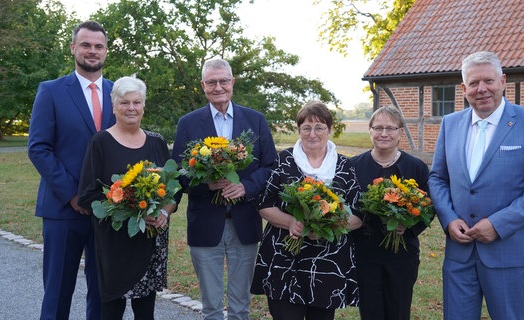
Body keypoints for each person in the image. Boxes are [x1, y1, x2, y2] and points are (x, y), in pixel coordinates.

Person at [428, 51, 524, 320]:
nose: (481, 89)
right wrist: (449, 219)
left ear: (503, 81)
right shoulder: (451, 124)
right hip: (459, 253)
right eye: (473, 83)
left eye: (488, 81)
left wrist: (498, 224)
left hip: (509, 252)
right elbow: (438, 178)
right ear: (464, 88)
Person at [170, 58, 277, 320]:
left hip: (245, 222)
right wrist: (205, 183)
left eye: (224, 81)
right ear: (202, 86)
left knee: (241, 306)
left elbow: (271, 166)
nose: (218, 87)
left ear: (232, 82)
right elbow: (178, 173)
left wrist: (246, 187)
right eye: (212, 82)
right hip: (206, 223)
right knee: (211, 307)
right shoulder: (188, 123)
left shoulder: (255, 120)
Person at [28, 20, 114, 320]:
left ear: (106, 51)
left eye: (98, 46)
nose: (93, 51)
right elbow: (38, 148)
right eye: (86, 45)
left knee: (103, 294)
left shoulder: (118, 94)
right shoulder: (51, 91)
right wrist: (73, 195)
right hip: (64, 210)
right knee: (58, 294)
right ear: (73, 48)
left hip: (109, 211)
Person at [250, 101, 363, 320]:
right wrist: (291, 222)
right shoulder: (283, 161)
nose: (313, 134)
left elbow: (359, 214)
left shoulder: (344, 166)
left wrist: (329, 226)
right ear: (299, 130)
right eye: (306, 128)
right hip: (285, 259)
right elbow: (264, 204)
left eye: (319, 127)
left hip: (327, 264)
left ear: (329, 130)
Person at [77, 76, 175, 319]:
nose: (131, 108)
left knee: (146, 313)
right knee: (110, 310)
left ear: (143, 105)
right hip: (115, 243)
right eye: (124, 103)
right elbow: (87, 194)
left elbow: (174, 190)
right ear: (114, 106)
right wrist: (130, 209)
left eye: (136, 102)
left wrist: (162, 212)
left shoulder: (157, 142)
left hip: (150, 241)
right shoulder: (100, 142)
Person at [350, 106, 431, 320]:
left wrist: (409, 224)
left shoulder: (416, 167)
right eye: (378, 128)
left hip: (402, 253)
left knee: (398, 311)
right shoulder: (353, 166)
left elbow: (429, 207)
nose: (383, 133)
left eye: (390, 128)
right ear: (370, 131)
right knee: (370, 312)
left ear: (400, 132)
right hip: (365, 253)